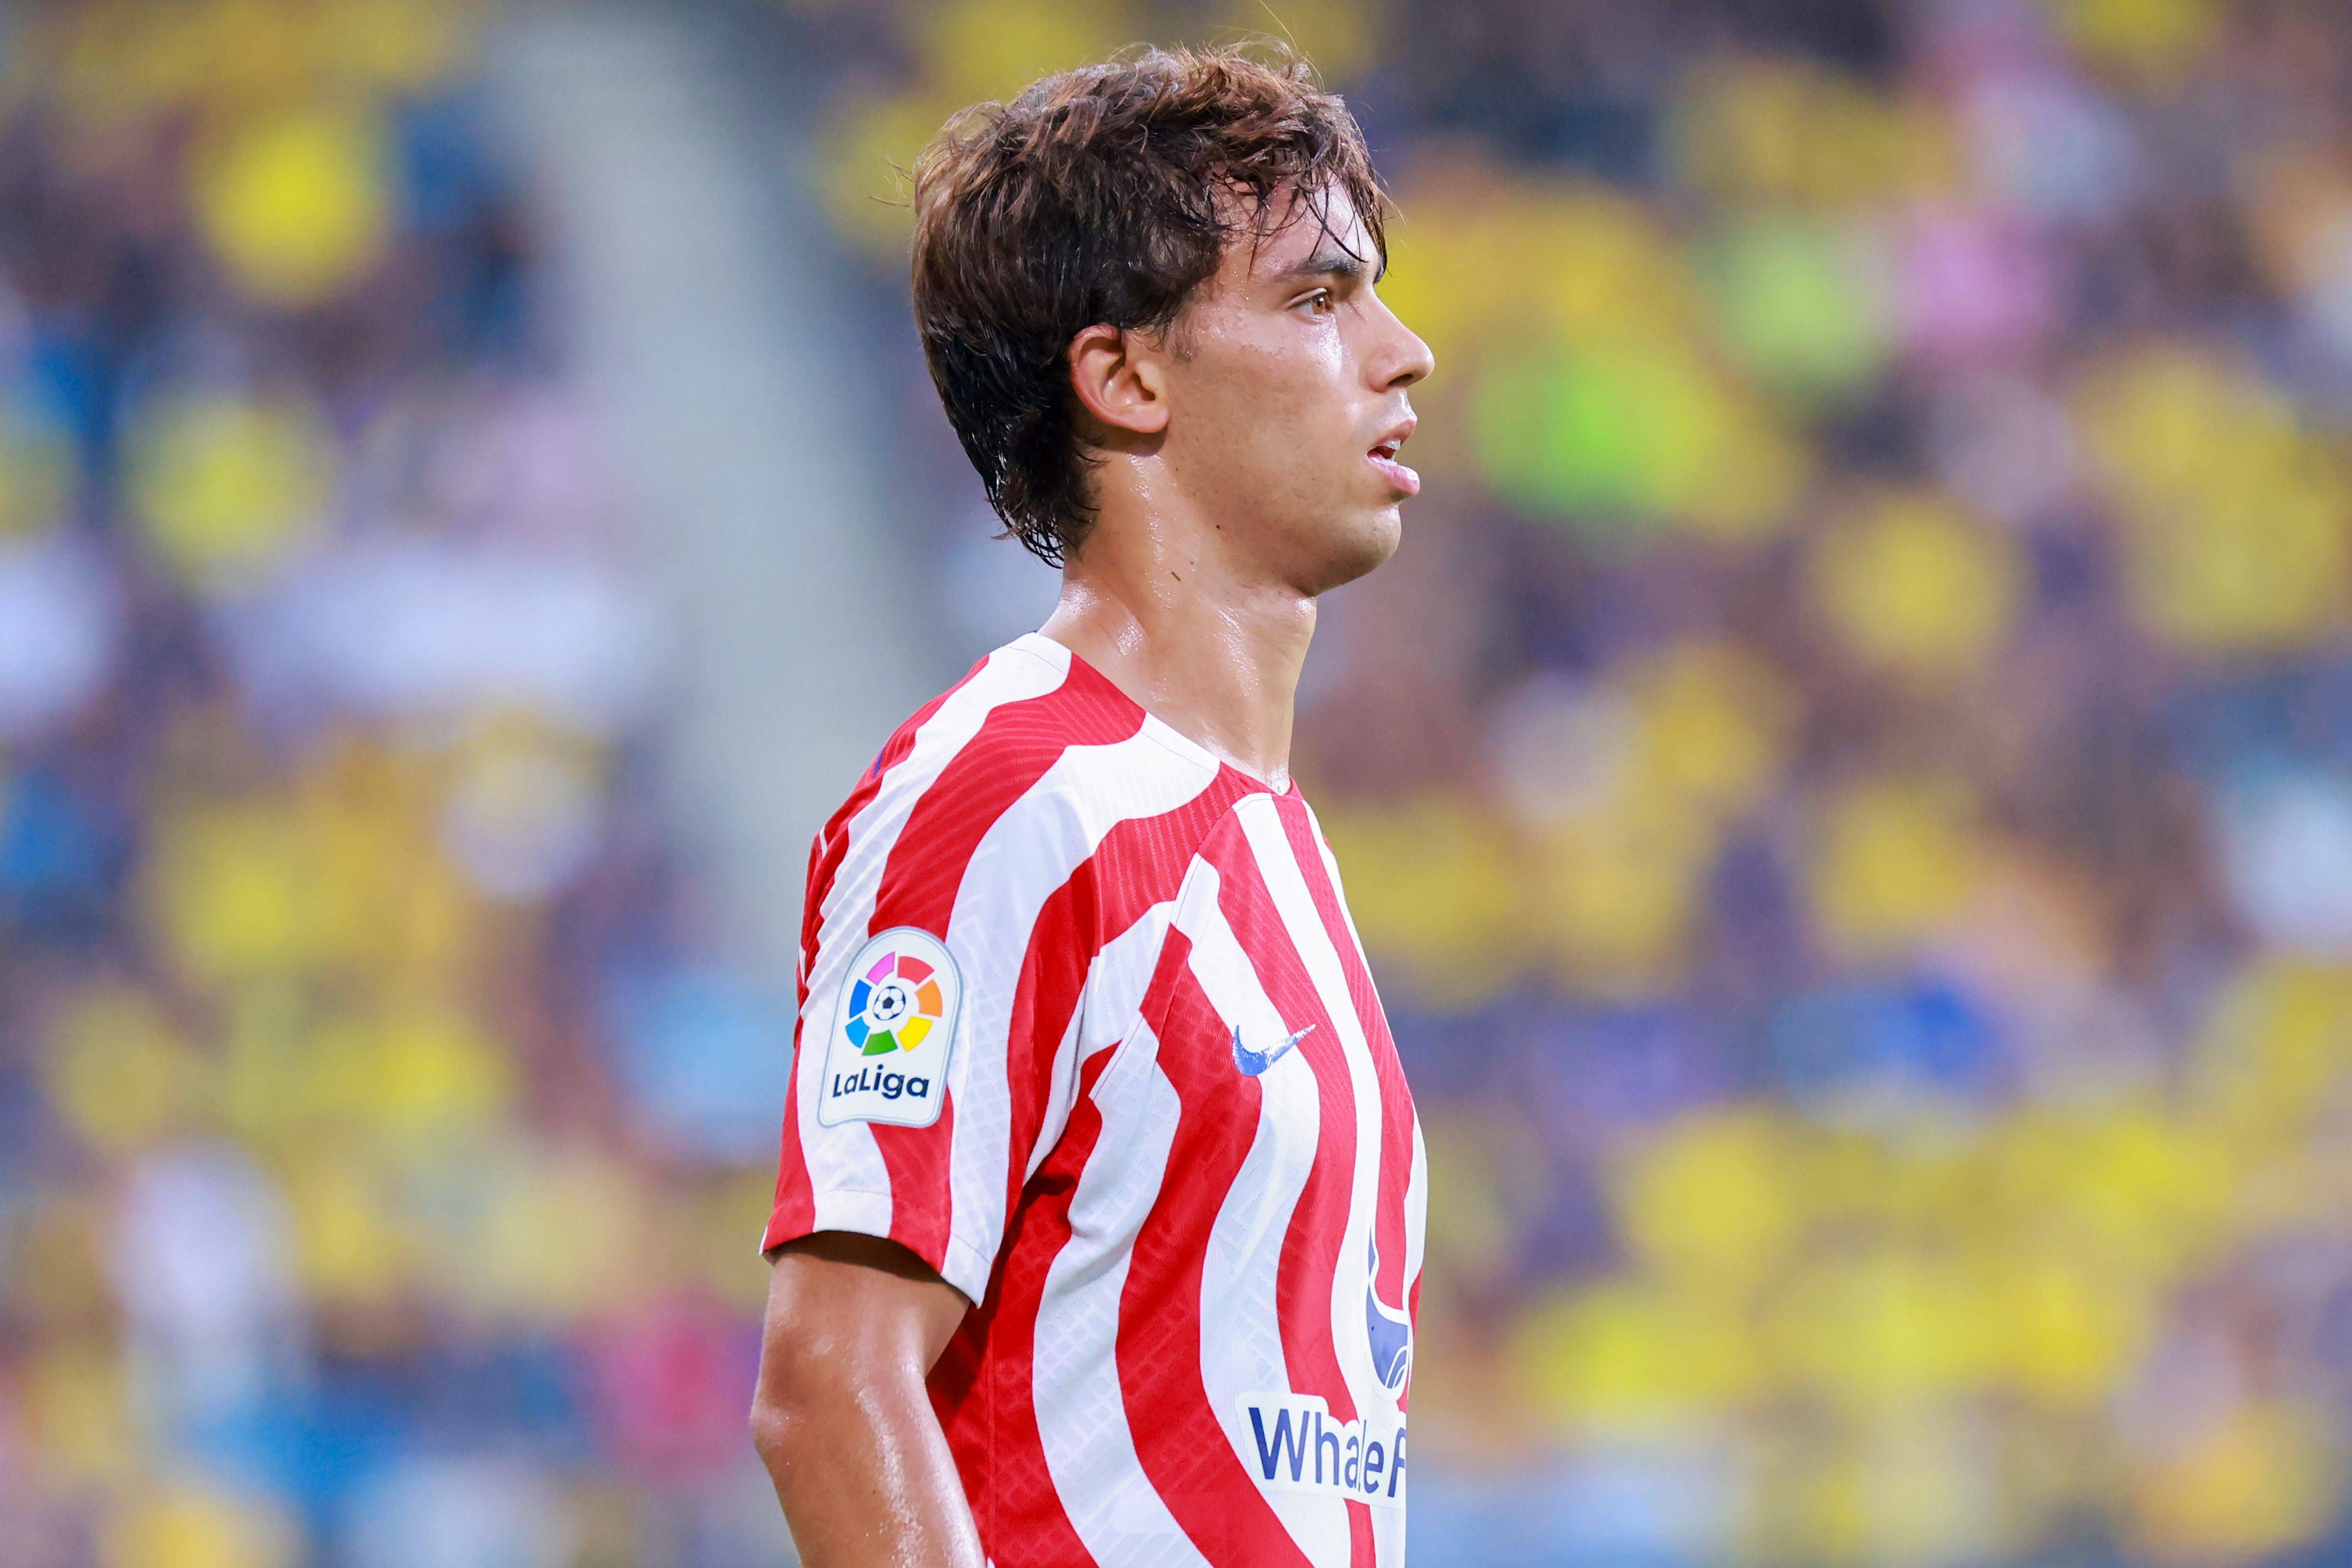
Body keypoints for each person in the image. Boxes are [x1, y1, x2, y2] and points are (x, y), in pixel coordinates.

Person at [749, 42, 1435, 1568]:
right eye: (1321, 300)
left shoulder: (1269, 832)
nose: (1406, 352)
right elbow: (828, 1384)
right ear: (1125, 376)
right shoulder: (1009, 796)